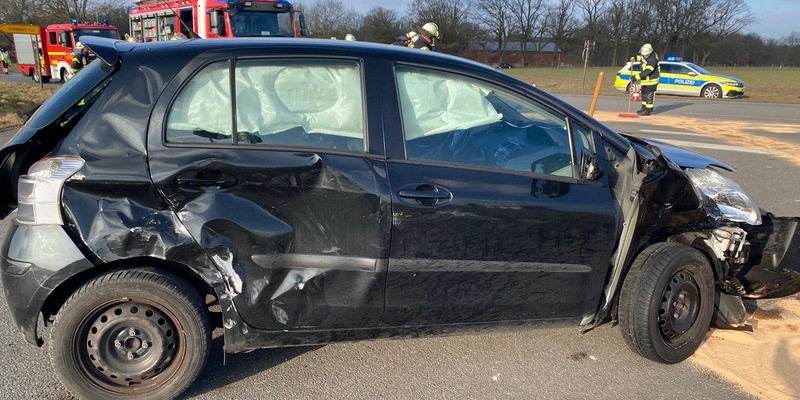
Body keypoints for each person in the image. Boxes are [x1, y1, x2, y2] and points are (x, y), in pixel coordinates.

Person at [631, 43, 660, 115]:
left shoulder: (653, 59)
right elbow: (641, 58)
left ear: (650, 52)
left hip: (652, 79)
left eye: (646, 55)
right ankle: (643, 108)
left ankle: (648, 110)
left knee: (649, 94)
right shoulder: (644, 55)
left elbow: (647, 71)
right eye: (644, 54)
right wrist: (634, 59)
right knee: (644, 93)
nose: (645, 56)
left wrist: (636, 77)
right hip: (645, 79)